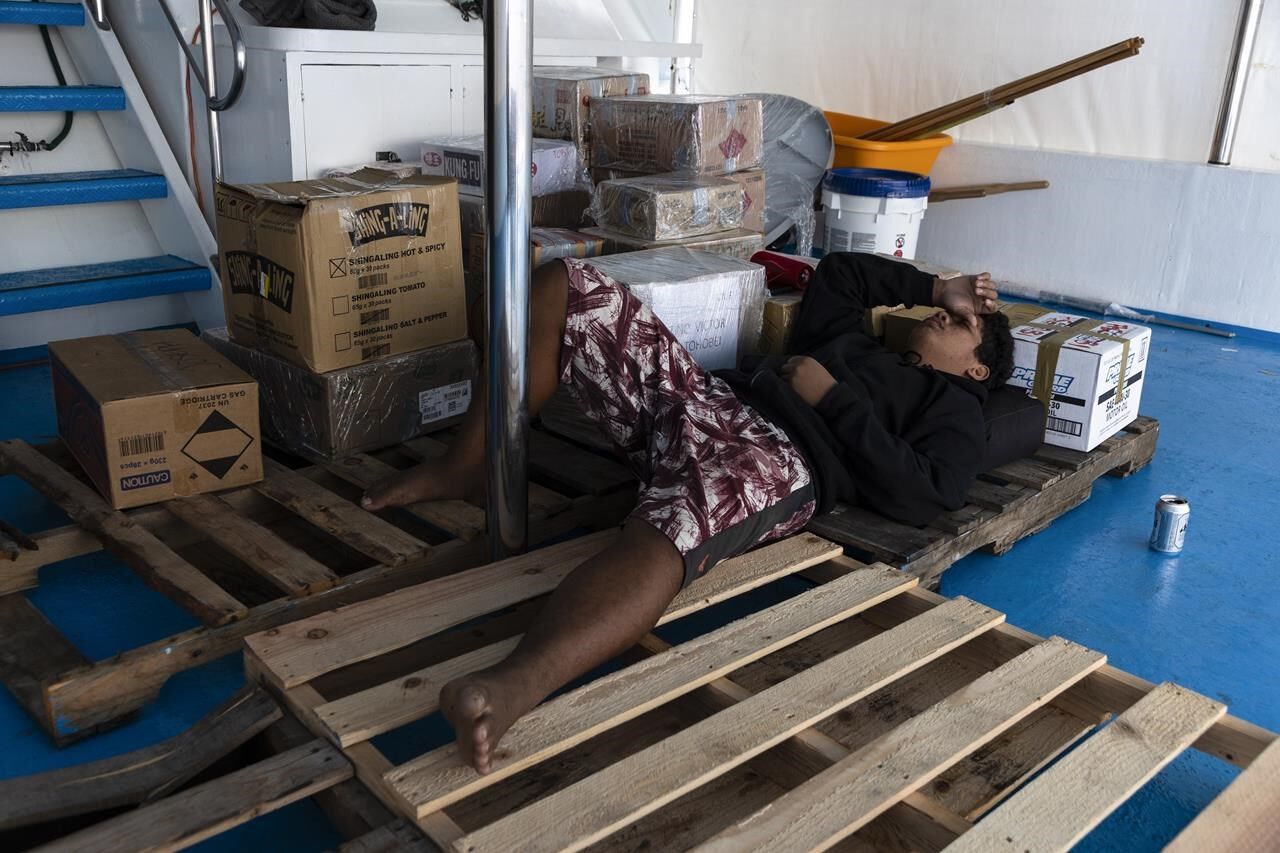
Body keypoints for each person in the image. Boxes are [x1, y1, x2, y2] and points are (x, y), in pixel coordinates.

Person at [361, 251, 1014, 773]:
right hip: (709, 399)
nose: (943, 319)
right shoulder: (861, 345)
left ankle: (508, 688)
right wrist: (937, 284)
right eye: (947, 312)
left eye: (962, 326)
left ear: (980, 370)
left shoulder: (955, 407)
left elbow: (930, 490)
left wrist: (833, 399)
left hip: (776, 459)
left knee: (669, 532)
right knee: (566, 285)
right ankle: (465, 463)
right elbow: (841, 274)